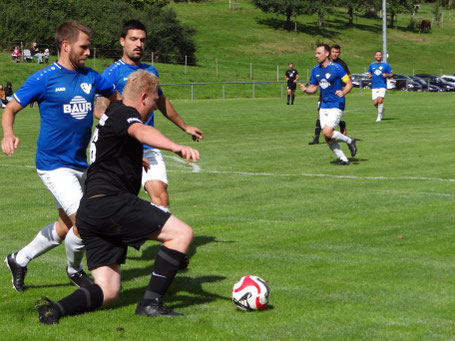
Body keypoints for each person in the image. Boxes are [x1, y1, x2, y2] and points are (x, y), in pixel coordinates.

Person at [35, 70, 200, 324]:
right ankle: (150, 303)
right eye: (155, 101)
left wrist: (132, 157)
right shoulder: (126, 114)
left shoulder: (111, 112)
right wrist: (175, 145)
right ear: (144, 97)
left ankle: (55, 310)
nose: (155, 106)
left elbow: (105, 146)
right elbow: (141, 132)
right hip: (111, 203)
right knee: (181, 234)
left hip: (92, 210)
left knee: (109, 290)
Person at [2, 21, 121, 292]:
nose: (88, 52)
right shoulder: (43, 79)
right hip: (53, 164)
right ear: (66, 46)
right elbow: (10, 108)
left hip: (82, 163)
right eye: (84, 47)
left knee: (66, 226)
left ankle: (18, 259)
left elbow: (117, 99)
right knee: (86, 220)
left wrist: (115, 125)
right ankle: (74, 270)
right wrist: (8, 134)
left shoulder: (92, 77)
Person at [95, 20, 203, 214]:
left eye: (142, 40)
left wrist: (184, 126)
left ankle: (168, 241)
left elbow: (160, 101)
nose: (138, 44)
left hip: (148, 146)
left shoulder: (150, 71)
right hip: (121, 149)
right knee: (117, 204)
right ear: (122, 41)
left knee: (161, 196)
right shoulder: (112, 73)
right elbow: (99, 111)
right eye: (133, 39)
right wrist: (125, 131)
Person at [299, 44, 357, 165]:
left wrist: (344, 91)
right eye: (316, 53)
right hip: (324, 105)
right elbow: (313, 88)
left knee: (327, 132)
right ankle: (343, 159)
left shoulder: (337, 68)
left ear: (327, 54)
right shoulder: (315, 69)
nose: (316, 55)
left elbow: (349, 83)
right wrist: (306, 90)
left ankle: (349, 140)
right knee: (326, 137)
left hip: (337, 104)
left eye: (319, 53)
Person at [308, 44, 351, 145]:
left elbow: (348, 78)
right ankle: (317, 138)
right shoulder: (320, 66)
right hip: (324, 95)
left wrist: (342, 89)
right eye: (333, 52)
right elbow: (314, 85)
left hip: (335, 97)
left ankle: (343, 135)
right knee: (320, 115)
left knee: (328, 130)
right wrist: (307, 89)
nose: (335, 54)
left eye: (337, 52)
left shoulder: (340, 65)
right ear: (329, 53)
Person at [368, 50, 393, 122]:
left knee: (380, 100)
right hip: (374, 86)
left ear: (381, 56)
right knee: (375, 103)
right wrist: (369, 75)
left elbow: (391, 74)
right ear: (375, 56)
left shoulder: (385, 65)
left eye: (379, 55)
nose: (378, 56)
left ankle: (379, 116)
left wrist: (387, 75)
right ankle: (382, 109)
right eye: (377, 55)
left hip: (382, 85)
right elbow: (369, 73)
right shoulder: (372, 65)